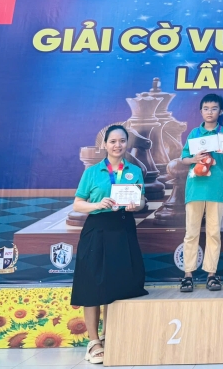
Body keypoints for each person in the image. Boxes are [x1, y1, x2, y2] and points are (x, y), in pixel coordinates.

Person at [71, 124, 148, 365]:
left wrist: (138, 205)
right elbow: (77, 204)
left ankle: (110, 336)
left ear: (127, 143)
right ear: (105, 144)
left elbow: (142, 199)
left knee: (119, 283)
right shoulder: (93, 172)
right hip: (97, 228)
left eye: (122, 141)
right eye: (113, 141)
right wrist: (97, 205)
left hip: (123, 228)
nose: (117, 145)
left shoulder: (134, 170)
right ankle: (94, 342)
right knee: (92, 285)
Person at [180, 94, 223, 292]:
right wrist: (194, 159)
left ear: (221, 111)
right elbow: (184, 158)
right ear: (201, 111)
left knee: (213, 233)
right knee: (191, 233)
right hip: (195, 189)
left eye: (214, 108)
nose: (210, 112)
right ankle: (188, 275)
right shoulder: (194, 133)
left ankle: (211, 274)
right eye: (206, 108)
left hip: (216, 189)